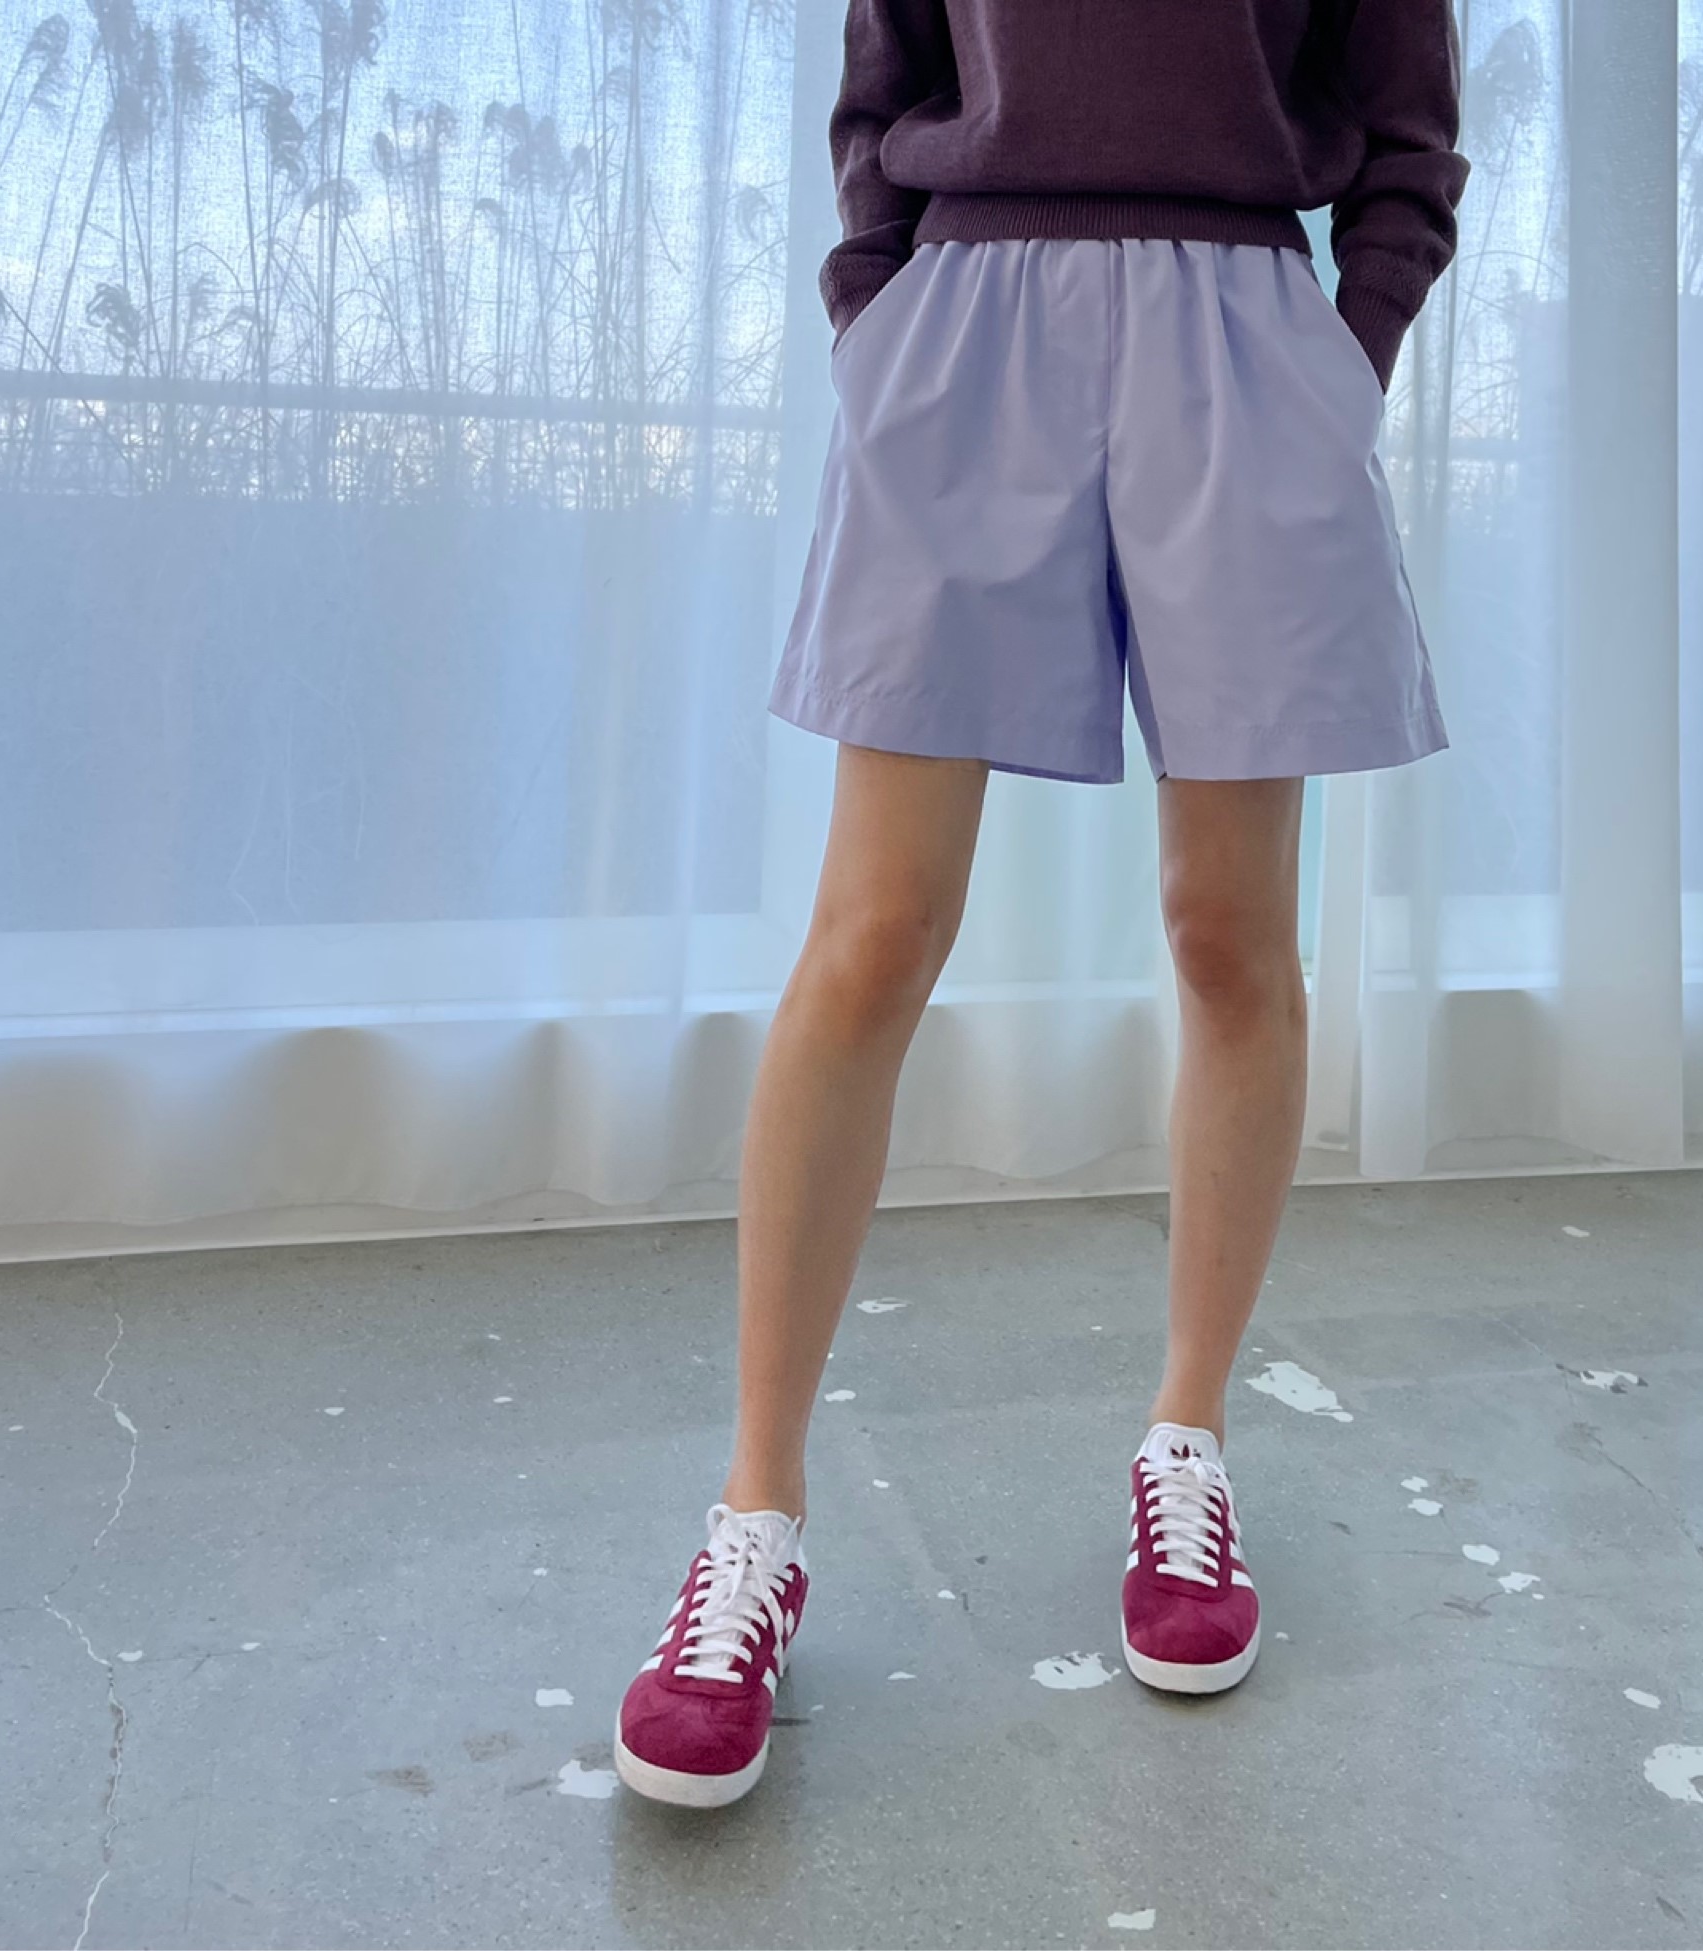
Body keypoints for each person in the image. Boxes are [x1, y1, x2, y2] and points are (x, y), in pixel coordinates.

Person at [613, 0, 1471, 1807]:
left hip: (1244, 334)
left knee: (1230, 933)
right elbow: (886, 86)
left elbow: (1406, 128)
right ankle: (754, 1520)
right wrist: (880, 315)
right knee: (873, 937)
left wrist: (1347, 354)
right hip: (971, 324)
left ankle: (1188, 1442)